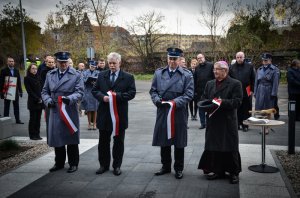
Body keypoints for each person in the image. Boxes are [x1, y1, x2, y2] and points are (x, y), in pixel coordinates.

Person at [149, 48, 194, 179]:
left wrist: (174, 103)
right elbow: (153, 91)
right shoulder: (158, 73)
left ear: (180, 60)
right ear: (167, 58)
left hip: (178, 111)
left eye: (175, 59)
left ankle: (179, 168)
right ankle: (165, 166)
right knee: (164, 139)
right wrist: (157, 100)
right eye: (170, 58)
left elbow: (189, 94)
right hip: (163, 110)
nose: (172, 61)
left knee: (179, 140)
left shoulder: (187, 75)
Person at [198, 61, 243, 184]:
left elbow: (237, 102)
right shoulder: (209, 83)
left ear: (225, 71)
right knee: (215, 146)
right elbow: (204, 98)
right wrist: (204, 105)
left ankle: (234, 172)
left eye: (217, 69)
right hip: (213, 120)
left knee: (230, 146)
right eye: (214, 69)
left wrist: (220, 102)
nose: (215, 71)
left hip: (227, 121)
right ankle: (218, 170)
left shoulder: (235, 83)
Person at [92, 52, 136, 176]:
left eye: (114, 63)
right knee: (103, 142)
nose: (111, 65)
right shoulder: (101, 75)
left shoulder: (128, 77)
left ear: (119, 63)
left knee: (118, 142)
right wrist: (103, 97)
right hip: (104, 114)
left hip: (119, 115)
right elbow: (95, 90)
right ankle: (103, 165)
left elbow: (132, 93)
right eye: (110, 63)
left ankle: (117, 166)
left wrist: (116, 96)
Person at [41, 51, 84, 173]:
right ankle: (59, 163)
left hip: (69, 109)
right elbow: (44, 91)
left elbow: (80, 92)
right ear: (57, 62)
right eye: (61, 62)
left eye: (65, 62)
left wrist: (69, 99)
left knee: (71, 137)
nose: (64, 64)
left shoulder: (76, 75)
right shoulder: (50, 74)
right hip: (54, 109)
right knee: (57, 137)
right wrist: (48, 100)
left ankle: (73, 163)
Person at [229, 51, 256, 132]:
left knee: (246, 109)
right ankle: (237, 124)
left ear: (244, 57)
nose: (239, 59)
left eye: (241, 57)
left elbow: (253, 79)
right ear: (236, 58)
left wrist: (252, 90)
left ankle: (245, 125)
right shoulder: (232, 67)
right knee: (237, 109)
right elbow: (229, 79)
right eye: (238, 57)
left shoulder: (249, 66)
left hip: (246, 90)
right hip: (235, 91)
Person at [254, 53, 280, 133]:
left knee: (268, 110)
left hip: (269, 90)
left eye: (266, 60)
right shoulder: (259, 69)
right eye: (263, 60)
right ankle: (262, 127)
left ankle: (267, 128)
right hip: (260, 89)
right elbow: (256, 82)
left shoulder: (275, 69)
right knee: (260, 109)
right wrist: (255, 92)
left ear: (270, 60)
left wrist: (274, 94)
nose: (264, 61)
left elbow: (276, 83)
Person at [0, 56, 24, 124]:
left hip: (15, 91)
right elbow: (1, 82)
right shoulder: (3, 71)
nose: (11, 62)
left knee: (16, 106)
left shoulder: (16, 70)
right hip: (7, 91)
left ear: (14, 62)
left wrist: (20, 91)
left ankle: (18, 120)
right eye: (10, 61)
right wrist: (1, 92)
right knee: (6, 106)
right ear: (7, 62)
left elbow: (19, 81)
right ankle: (5, 120)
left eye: (12, 61)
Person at [194, 53, 214, 129]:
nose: (200, 59)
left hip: (210, 91)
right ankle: (203, 123)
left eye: (201, 58)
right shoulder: (197, 68)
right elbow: (195, 80)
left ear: (204, 57)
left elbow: (214, 77)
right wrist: (195, 91)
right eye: (198, 58)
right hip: (200, 92)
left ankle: (210, 122)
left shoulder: (211, 65)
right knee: (201, 108)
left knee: (210, 107)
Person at [24, 63, 43, 140]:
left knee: (38, 119)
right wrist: (37, 98)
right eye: (33, 69)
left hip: (40, 101)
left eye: (36, 69)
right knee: (33, 119)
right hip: (33, 102)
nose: (35, 70)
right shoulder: (27, 78)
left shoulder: (38, 77)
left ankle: (37, 134)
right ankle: (32, 135)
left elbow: (41, 89)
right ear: (29, 69)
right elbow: (29, 91)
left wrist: (41, 98)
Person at [81, 60, 100, 130]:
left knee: (95, 109)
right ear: (89, 66)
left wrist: (95, 82)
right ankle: (89, 123)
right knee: (88, 109)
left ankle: (94, 123)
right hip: (88, 91)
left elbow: (100, 81)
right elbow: (82, 80)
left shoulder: (98, 72)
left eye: (94, 66)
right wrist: (88, 80)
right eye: (91, 66)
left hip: (95, 92)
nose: (93, 67)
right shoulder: (85, 72)